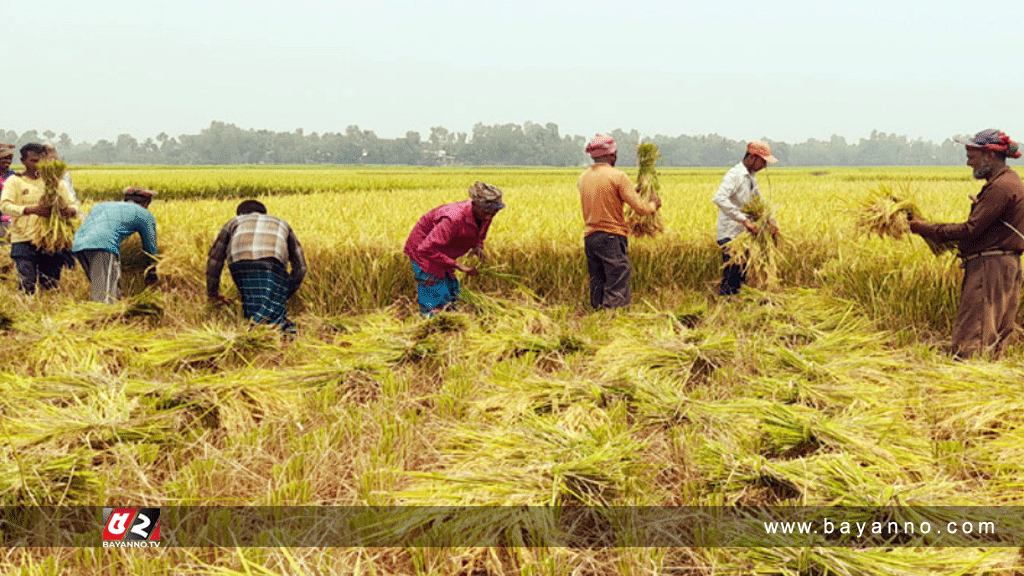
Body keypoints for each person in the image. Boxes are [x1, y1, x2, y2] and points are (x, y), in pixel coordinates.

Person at [909, 129, 1024, 358]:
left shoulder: (1000, 188)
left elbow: (969, 230)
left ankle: (968, 380)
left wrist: (924, 228)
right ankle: (989, 385)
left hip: (990, 268)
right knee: (994, 341)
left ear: (989, 155)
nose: (968, 163)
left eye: (971, 156)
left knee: (973, 337)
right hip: (1005, 264)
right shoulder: (1010, 181)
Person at [577, 133, 660, 310]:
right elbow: (641, 209)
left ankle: (598, 314)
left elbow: (604, 196)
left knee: (598, 279)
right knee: (617, 278)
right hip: (611, 237)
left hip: (590, 237)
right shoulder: (618, 176)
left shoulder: (583, 177)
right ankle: (613, 317)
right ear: (612, 154)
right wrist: (654, 204)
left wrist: (630, 191)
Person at [404, 181, 505, 315]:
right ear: (476, 206)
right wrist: (458, 265)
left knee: (451, 288)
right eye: (488, 212)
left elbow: (482, 230)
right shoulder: (453, 219)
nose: (491, 216)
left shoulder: (486, 213)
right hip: (424, 252)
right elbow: (426, 249)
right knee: (434, 289)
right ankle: (432, 324)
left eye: (495, 211)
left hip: (442, 250)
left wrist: (478, 245)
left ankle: (450, 318)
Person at [206, 200, 307, 331]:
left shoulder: (234, 222)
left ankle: (255, 332)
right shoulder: (282, 223)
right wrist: (285, 292)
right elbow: (301, 267)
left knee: (253, 305)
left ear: (240, 214)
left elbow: (215, 260)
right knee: (273, 312)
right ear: (265, 213)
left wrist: (212, 293)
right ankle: (265, 333)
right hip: (273, 262)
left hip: (240, 263)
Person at [0, 142, 79, 294]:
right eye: (33, 161)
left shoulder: (55, 183)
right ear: (23, 161)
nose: (38, 165)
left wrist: (69, 210)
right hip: (23, 239)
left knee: (50, 284)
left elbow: (73, 205)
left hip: (50, 240)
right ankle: (26, 310)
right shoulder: (15, 182)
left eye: (41, 161)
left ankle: (49, 313)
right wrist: (30, 210)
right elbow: (5, 206)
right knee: (27, 283)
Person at [711, 141, 779, 296]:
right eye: (763, 161)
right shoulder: (734, 175)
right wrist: (744, 220)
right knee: (732, 276)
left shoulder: (751, 177)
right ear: (753, 158)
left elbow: (759, 200)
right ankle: (724, 308)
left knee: (742, 276)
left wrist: (771, 220)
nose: (764, 166)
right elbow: (719, 198)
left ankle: (737, 308)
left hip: (742, 235)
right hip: (730, 234)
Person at [71, 187, 159, 303]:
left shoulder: (101, 206)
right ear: (147, 203)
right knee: (106, 297)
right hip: (103, 245)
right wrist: (152, 271)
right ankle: (101, 319)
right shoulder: (144, 214)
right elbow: (150, 250)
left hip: (79, 245)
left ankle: (110, 315)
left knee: (105, 289)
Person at [0, 145, 15, 240]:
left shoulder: (12, 175)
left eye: (9, 159)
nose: (7, 161)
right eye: (4, 158)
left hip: (10, 215)